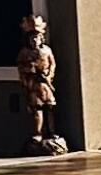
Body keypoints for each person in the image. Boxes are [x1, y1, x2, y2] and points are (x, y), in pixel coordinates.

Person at [15, 13, 66, 155]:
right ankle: (37, 133)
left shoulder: (46, 51)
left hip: (45, 84)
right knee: (37, 110)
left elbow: (52, 64)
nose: (34, 41)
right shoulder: (24, 53)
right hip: (34, 85)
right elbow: (21, 66)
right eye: (32, 38)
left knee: (49, 108)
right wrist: (28, 72)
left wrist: (49, 75)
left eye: (37, 38)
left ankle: (51, 132)